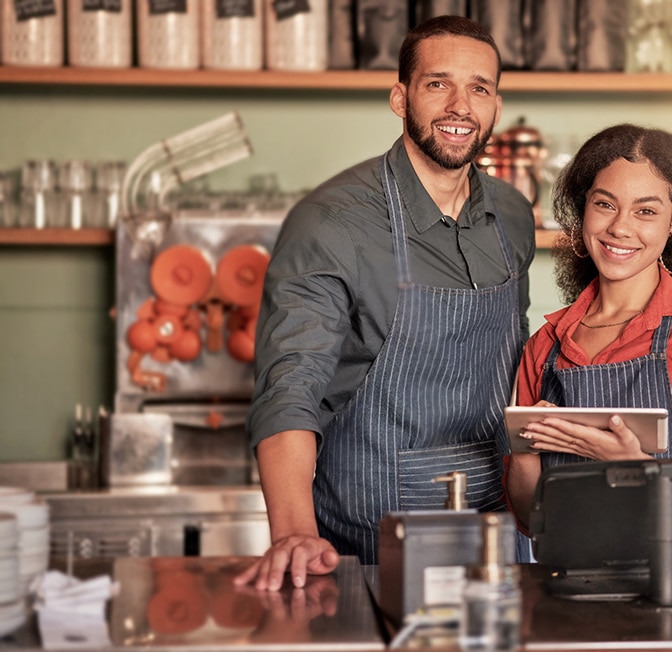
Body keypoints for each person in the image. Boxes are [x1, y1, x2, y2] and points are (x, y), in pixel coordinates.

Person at [235, 15, 536, 590]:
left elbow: (512, 367)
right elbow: (289, 388)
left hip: (497, 536)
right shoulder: (332, 222)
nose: (460, 107)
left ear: (497, 104)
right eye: (437, 84)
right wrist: (293, 531)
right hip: (371, 541)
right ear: (400, 98)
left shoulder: (513, 216)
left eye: (480, 88)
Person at [505, 124, 672, 565]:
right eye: (604, 204)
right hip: (573, 601)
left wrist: (639, 471)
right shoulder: (545, 348)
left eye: (645, 211)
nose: (619, 228)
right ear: (582, 211)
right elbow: (533, 521)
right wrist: (525, 453)